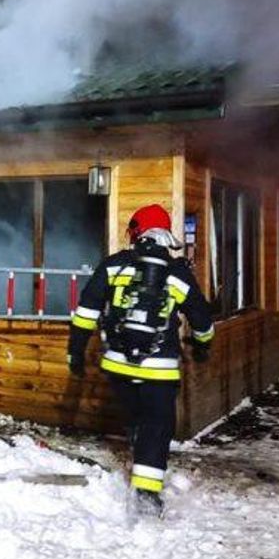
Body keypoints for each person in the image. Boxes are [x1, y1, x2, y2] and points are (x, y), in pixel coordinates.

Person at [68, 203, 213, 514]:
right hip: (159, 370)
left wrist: (75, 352)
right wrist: (203, 345)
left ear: (136, 232)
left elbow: (85, 313)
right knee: (157, 425)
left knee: (137, 416)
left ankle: (138, 439)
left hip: (117, 366)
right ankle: (146, 493)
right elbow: (202, 319)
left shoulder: (113, 266)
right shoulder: (178, 273)